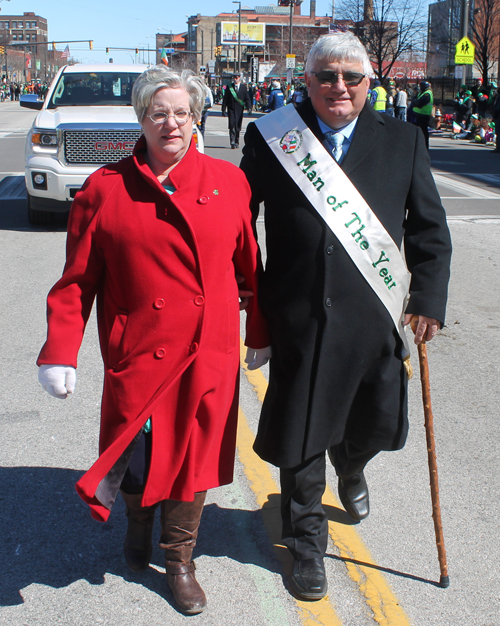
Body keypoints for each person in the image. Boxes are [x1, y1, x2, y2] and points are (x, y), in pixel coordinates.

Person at [36, 66, 270, 615]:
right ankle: (136, 527)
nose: (170, 123)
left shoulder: (228, 181)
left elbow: (249, 269)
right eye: (157, 113)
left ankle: (180, 557)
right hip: (138, 347)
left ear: (196, 118)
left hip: (205, 350)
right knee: (137, 453)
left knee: (193, 455)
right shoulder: (105, 187)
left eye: (181, 113)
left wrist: (259, 331)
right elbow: (77, 281)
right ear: (140, 119)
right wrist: (59, 350)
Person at [240, 32, 451, 601]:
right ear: (306, 81)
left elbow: (430, 231)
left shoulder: (403, 140)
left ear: (368, 85)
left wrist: (428, 300)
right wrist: (249, 293)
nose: (339, 87)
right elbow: (238, 224)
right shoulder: (272, 137)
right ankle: (307, 547)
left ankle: (352, 466)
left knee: (375, 427)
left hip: (372, 321)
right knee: (302, 437)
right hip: (300, 321)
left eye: (351, 78)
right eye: (327, 76)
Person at [221, 71, 251, 149]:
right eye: (234, 77)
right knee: (232, 125)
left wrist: (249, 108)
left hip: (239, 109)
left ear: (239, 78)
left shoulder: (243, 87)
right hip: (231, 109)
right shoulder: (229, 87)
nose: (235, 79)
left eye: (237, 77)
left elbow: (247, 98)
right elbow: (225, 99)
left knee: (238, 126)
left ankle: (237, 141)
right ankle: (232, 142)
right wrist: (223, 109)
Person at [412, 80, 434, 150]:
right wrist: (415, 102)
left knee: (423, 132)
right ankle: (419, 146)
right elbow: (414, 99)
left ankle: (424, 147)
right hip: (419, 115)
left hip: (424, 115)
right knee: (418, 132)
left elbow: (419, 103)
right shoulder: (422, 93)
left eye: (421, 86)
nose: (420, 87)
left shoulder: (427, 93)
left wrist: (415, 102)